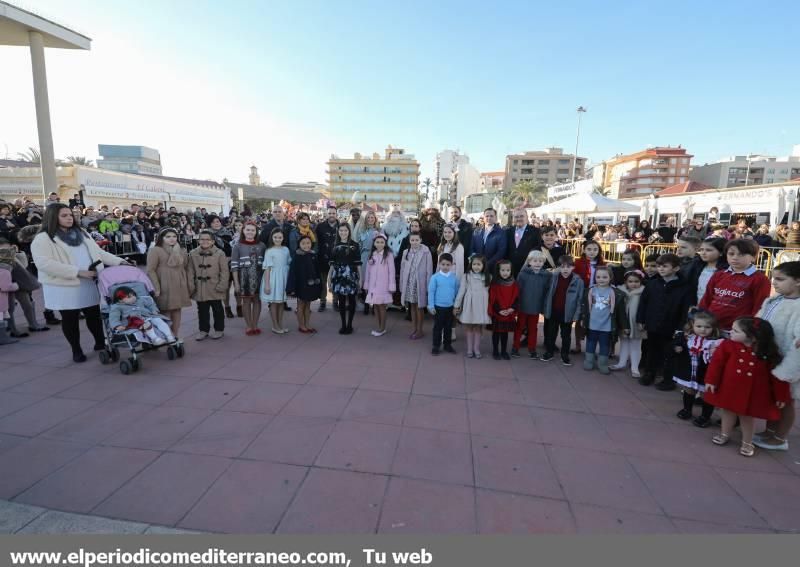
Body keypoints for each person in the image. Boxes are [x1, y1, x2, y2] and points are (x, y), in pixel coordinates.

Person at [30, 203, 125, 362]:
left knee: (94, 315)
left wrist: (121, 262)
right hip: (63, 286)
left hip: (90, 281)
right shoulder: (43, 238)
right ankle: (76, 350)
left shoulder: (81, 232)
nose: (69, 218)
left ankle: (100, 344)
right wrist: (78, 272)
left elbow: (98, 252)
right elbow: (44, 263)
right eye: (64, 215)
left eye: (70, 215)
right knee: (70, 318)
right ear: (53, 217)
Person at [705, 317, 790, 457]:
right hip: (729, 387)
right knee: (727, 412)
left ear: (752, 337)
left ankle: (747, 441)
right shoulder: (728, 345)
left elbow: (778, 377)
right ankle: (724, 433)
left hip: (752, 393)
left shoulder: (767, 353)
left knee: (747, 417)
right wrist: (711, 381)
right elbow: (716, 364)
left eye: (735, 330)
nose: (730, 332)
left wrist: (781, 396)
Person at [754, 262, 800, 451]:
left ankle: (780, 438)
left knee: (786, 399)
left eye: (781, 279)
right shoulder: (774, 300)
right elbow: (760, 318)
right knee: (773, 398)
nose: (775, 283)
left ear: (798, 281)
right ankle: (769, 431)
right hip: (770, 356)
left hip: (789, 359)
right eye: (774, 278)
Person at [636, 253, 691, 388]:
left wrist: (680, 327)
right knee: (651, 350)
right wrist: (641, 319)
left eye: (665, 266)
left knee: (669, 353)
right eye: (659, 266)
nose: (660, 269)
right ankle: (650, 373)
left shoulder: (684, 288)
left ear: (676, 268)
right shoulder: (653, 284)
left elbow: (685, 309)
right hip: (653, 323)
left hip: (671, 326)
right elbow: (643, 303)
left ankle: (668, 379)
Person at [698, 240, 772, 333]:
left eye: (741, 254)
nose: (735, 257)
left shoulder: (760, 279)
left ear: (753, 257)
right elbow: (706, 299)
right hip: (710, 328)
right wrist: (699, 318)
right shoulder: (719, 275)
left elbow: (759, 307)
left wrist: (751, 329)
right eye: (731, 254)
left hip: (735, 331)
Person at [671, 309, 723, 427]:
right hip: (690, 371)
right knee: (689, 390)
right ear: (692, 325)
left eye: (707, 327)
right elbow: (675, 344)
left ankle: (705, 416)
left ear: (714, 328)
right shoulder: (686, 337)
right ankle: (687, 410)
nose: (703, 329)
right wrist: (677, 347)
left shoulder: (716, 343)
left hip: (705, 374)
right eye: (699, 326)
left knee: (706, 394)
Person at [147, 227, 191, 338]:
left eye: (174, 236)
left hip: (179, 283)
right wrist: (156, 287)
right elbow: (150, 270)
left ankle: (175, 335)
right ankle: (166, 335)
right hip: (164, 283)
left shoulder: (181, 250)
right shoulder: (155, 250)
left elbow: (185, 266)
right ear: (162, 238)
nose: (172, 239)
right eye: (168, 237)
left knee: (177, 309)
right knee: (164, 310)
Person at [582, 266, 627, 374]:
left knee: (605, 345)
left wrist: (626, 326)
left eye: (604, 277)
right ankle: (589, 361)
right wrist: (582, 318)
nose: (601, 279)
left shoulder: (616, 293)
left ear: (610, 278)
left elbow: (621, 312)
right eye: (598, 277)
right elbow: (584, 306)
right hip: (592, 324)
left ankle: (602, 364)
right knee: (590, 343)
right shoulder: (590, 290)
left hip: (607, 325)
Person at [187, 230, 229, 340]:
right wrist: (191, 285)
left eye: (208, 239)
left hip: (215, 287)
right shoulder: (193, 253)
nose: (205, 241)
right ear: (198, 240)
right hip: (200, 287)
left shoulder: (220, 253)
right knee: (202, 310)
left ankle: (219, 329)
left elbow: (224, 271)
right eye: (202, 239)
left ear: (213, 241)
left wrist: (222, 285)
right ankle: (203, 330)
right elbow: (190, 271)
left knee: (218, 309)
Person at [542, 256, 584, 366]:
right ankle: (549, 352)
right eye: (562, 267)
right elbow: (548, 294)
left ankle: (564, 354)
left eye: (568, 267)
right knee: (551, 334)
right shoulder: (553, 277)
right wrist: (546, 308)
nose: (565, 269)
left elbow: (580, 300)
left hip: (567, 313)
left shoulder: (578, 281)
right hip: (554, 311)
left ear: (573, 267)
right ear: (558, 268)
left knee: (566, 335)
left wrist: (576, 314)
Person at [512, 250, 551, 359]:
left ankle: (532, 348)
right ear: (529, 262)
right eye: (535, 261)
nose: (537, 263)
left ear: (543, 262)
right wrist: (516, 304)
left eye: (540, 261)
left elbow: (547, 291)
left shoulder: (546, 276)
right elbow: (517, 290)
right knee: (519, 327)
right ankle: (515, 347)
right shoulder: (523, 274)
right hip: (523, 306)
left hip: (535, 307)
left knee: (533, 328)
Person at [231, 222, 265, 336]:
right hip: (243, 279)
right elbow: (234, 266)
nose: (250, 232)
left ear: (256, 232)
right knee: (246, 301)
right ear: (243, 231)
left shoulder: (262, 245)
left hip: (259, 278)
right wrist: (236, 283)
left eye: (253, 230)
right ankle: (249, 325)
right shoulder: (237, 245)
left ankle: (255, 324)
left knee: (257, 300)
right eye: (248, 230)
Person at [109, 286, 175, 345]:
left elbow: (150, 304)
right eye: (129, 297)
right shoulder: (117, 307)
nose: (133, 298)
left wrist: (154, 310)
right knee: (146, 324)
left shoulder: (140, 299)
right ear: (120, 300)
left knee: (159, 320)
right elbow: (114, 317)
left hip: (148, 316)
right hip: (134, 321)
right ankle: (155, 338)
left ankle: (169, 336)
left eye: (133, 295)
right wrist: (117, 325)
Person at [610, 270, 646, 377]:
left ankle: (635, 367)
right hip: (624, 322)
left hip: (637, 323)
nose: (633, 284)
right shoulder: (620, 291)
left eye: (636, 281)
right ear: (625, 282)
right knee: (624, 343)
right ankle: (621, 363)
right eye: (630, 281)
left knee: (636, 345)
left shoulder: (643, 292)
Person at [454, 254, 492, 359]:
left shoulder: (488, 277)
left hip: (481, 305)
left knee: (478, 327)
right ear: (471, 264)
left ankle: (476, 348)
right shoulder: (466, 276)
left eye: (479, 264)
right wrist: (456, 305)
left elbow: (491, 293)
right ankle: (470, 349)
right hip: (469, 304)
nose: (476, 266)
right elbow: (461, 291)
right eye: (474, 264)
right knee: (469, 326)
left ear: (484, 265)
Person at [572, 240, 606, 354]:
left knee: (594, 319)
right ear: (584, 250)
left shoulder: (602, 264)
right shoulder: (578, 263)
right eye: (589, 249)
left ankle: (590, 345)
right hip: (583, 294)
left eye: (595, 249)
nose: (592, 252)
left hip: (597, 294)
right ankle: (578, 344)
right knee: (580, 319)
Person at [400, 232, 433, 340]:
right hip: (409, 283)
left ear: (421, 240)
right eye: (412, 240)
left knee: (420, 307)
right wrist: (401, 283)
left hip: (420, 283)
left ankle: (420, 330)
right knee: (412, 307)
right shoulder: (406, 252)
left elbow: (429, 270)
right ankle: (414, 328)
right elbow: (402, 269)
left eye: (416, 240)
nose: (414, 242)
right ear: (409, 241)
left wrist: (428, 285)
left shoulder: (426, 252)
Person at [330, 223, 361, 335]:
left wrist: (360, 279)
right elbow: (332, 264)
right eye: (341, 230)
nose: (343, 233)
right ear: (338, 232)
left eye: (345, 231)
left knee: (352, 300)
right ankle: (343, 324)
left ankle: (350, 325)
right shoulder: (335, 245)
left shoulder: (355, 245)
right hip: (338, 276)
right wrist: (329, 278)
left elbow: (358, 264)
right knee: (341, 301)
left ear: (349, 231)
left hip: (351, 275)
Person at [286, 235, 321, 334]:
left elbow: (316, 270)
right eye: (303, 243)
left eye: (308, 243)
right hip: (301, 285)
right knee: (301, 305)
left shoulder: (313, 255)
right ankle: (301, 325)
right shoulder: (297, 257)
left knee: (308, 305)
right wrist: (292, 287)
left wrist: (318, 282)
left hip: (311, 285)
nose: (306, 245)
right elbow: (292, 273)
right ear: (299, 244)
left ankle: (307, 324)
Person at [362, 233, 395, 337]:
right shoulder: (372, 254)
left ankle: (382, 328)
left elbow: (392, 271)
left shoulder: (388, 255)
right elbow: (368, 271)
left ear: (385, 243)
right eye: (377, 242)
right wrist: (366, 285)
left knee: (381, 306)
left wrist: (391, 285)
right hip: (373, 285)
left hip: (383, 286)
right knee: (375, 306)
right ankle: (378, 325)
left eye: (382, 242)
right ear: (374, 243)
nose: (379, 244)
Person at [428, 253, 460, 356]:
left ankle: (447, 345)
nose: (445, 267)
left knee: (448, 327)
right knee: (438, 328)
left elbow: (456, 292)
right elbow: (431, 292)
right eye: (443, 264)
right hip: (438, 307)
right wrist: (431, 306)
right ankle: (436, 346)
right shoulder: (435, 277)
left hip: (450, 307)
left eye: (448, 264)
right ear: (439, 264)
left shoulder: (454, 278)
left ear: (452, 265)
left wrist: (456, 305)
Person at [261, 228, 292, 335]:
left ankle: (280, 324)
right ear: (272, 238)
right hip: (273, 278)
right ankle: (275, 325)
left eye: (280, 237)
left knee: (281, 302)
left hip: (283, 278)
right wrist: (267, 285)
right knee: (274, 303)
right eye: (275, 237)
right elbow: (267, 268)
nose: (277, 239)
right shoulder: (269, 251)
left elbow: (288, 263)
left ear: (283, 238)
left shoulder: (286, 249)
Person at [489, 259, 519, 361]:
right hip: (498, 313)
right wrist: (499, 310)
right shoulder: (495, 284)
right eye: (503, 270)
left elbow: (517, 297)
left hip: (508, 312)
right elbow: (493, 299)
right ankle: (495, 351)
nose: (505, 273)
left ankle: (503, 351)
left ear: (511, 271)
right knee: (496, 333)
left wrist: (512, 308)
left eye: (507, 270)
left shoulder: (514, 283)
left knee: (505, 334)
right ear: (498, 271)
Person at [382, 207, 409, 310]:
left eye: (398, 212)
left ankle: (398, 302)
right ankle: (388, 301)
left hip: (401, 256)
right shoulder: (384, 226)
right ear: (390, 213)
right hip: (388, 255)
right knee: (387, 278)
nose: (396, 214)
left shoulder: (406, 227)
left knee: (399, 278)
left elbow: (407, 242)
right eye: (393, 212)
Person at [354, 211, 380, 314]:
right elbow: (359, 245)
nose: (370, 219)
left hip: (375, 256)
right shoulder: (362, 231)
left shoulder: (379, 230)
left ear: (375, 219)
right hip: (364, 256)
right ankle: (365, 304)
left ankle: (374, 305)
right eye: (368, 217)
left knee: (375, 280)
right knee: (365, 279)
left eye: (372, 217)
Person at [315, 206, 339, 312]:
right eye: (330, 213)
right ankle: (323, 302)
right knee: (323, 282)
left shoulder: (341, 226)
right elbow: (316, 242)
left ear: (336, 214)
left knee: (336, 281)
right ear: (326, 214)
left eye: (333, 213)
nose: (331, 215)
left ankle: (335, 301)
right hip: (323, 258)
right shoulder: (320, 226)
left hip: (337, 258)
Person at [506, 209, 542, 277]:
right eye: (516, 217)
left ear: (527, 217)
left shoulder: (535, 231)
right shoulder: (508, 231)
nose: (519, 219)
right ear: (513, 218)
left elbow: (537, 248)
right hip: (509, 271)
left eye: (521, 216)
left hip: (528, 270)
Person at [471, 208, 505, 275]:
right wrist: (475, 261)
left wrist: (487, 264)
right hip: (477, 268)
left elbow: (501, 251)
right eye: (487, 216)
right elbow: (471, 248)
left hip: (492, 268)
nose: (489, 218)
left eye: (491, 216)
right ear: (483, 217)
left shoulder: (501, 233)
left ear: (495, 217)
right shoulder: (476, 231)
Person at [0, 245, 19, 345]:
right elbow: (6, 287)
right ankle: (3, 339)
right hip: (1, 301)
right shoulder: (5, 271)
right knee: (0, 319)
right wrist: (15, 285)